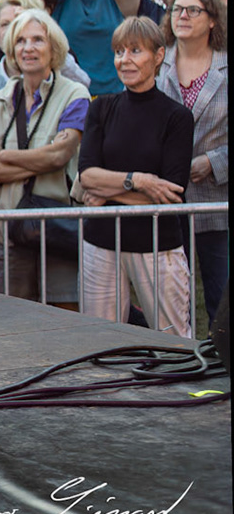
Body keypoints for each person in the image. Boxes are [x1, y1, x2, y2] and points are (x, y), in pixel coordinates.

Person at [76, 18, 194, 336]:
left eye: (135, 50)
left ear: (158, 56)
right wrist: (138, 181)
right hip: (101, 241)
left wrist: (108, 193)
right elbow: (87, 175)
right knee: (99, 340)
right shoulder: (101, 109)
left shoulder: (177, 116)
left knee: (173, 341)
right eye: (118, 51)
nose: (124, 59)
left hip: (158, 244)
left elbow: (171, 192)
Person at [0, 10, 88, 303]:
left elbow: (59, 157)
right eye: (21, 41)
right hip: (8, 231)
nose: (28, 48)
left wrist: (6, 155)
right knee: (12, 323)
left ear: (54, 48)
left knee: (65, 317)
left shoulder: (76, 96)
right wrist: (40, 159)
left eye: (38, 40)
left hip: (59, 228)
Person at [158, 0, 226, 317]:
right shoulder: (156, 63)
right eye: (176, 10)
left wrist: (214, 162)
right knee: (172, 303)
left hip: (217, 200)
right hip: (166, 200)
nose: (182, 16)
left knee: (220, 297)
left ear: (212, 19)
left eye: (193, 10)